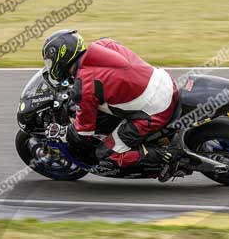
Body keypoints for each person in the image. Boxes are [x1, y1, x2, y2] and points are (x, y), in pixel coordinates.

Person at [41, 29, 181, 174]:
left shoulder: (83, 87)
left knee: (106, 156)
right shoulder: (104, 43)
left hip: (157, 109)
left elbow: (84, 133)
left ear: (60, 58)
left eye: (50, 62)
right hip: (164, 80)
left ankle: (168, 154)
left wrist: (62, 132)